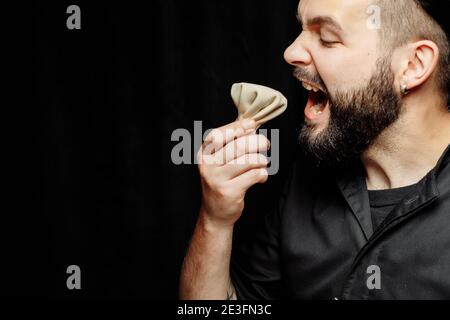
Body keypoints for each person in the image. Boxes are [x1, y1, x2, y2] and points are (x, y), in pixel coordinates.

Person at [179, 0, 450, 300]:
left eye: (327, 38)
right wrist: (216, 221)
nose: (290, 53)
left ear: (413, 65)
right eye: (302, 29)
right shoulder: (308, 178)